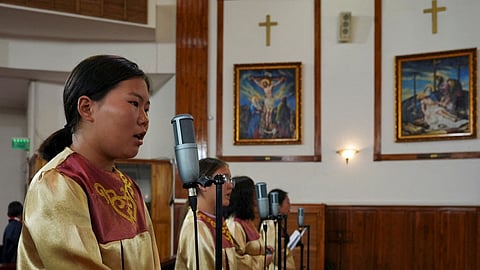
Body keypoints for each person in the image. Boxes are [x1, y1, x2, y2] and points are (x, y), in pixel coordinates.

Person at [17, 55, 161, 269]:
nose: (144, 119)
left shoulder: (129, 188)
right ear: (86, 108)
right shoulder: (57, 183)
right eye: (134, 103)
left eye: (146, 109)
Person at [175, 157, 236, 269]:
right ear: (203, 184)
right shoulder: (196, 226)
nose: (230, 186)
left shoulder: (214, 219)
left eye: (230, 180)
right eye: (223, 179)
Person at [223, 176, 274, 269]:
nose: (256, 201)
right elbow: (236, 259)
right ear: (245, 198)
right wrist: (263, 261)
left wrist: (263, 249)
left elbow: (251, 248)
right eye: (254, 196)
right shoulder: (234, 225)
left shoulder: (247, 221)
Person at [261, 188, 296, 270]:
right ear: (278, 206)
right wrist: (288, 250)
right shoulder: (270, 224)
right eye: (287, 202)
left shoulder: (277, 223)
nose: (289, 205)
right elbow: (273, 254)